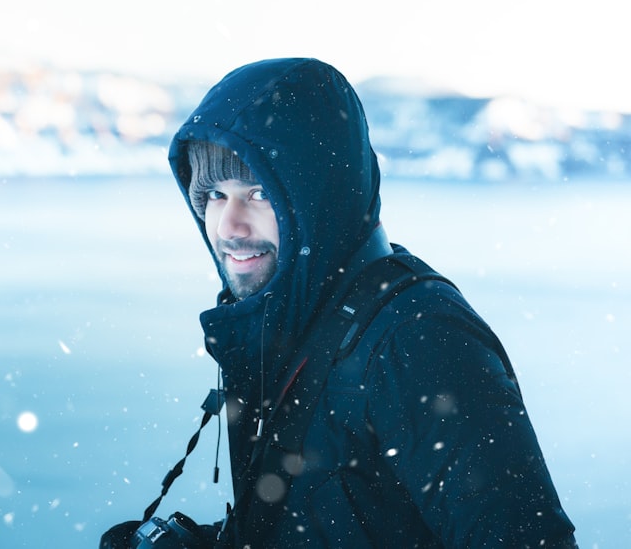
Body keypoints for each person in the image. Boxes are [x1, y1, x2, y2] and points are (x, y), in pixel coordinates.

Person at [101, 58, 577, 548]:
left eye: (260, 193)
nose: (229, 226)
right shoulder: (293, 320)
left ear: (320, 199)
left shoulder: (417, 337)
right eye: (216, 195)